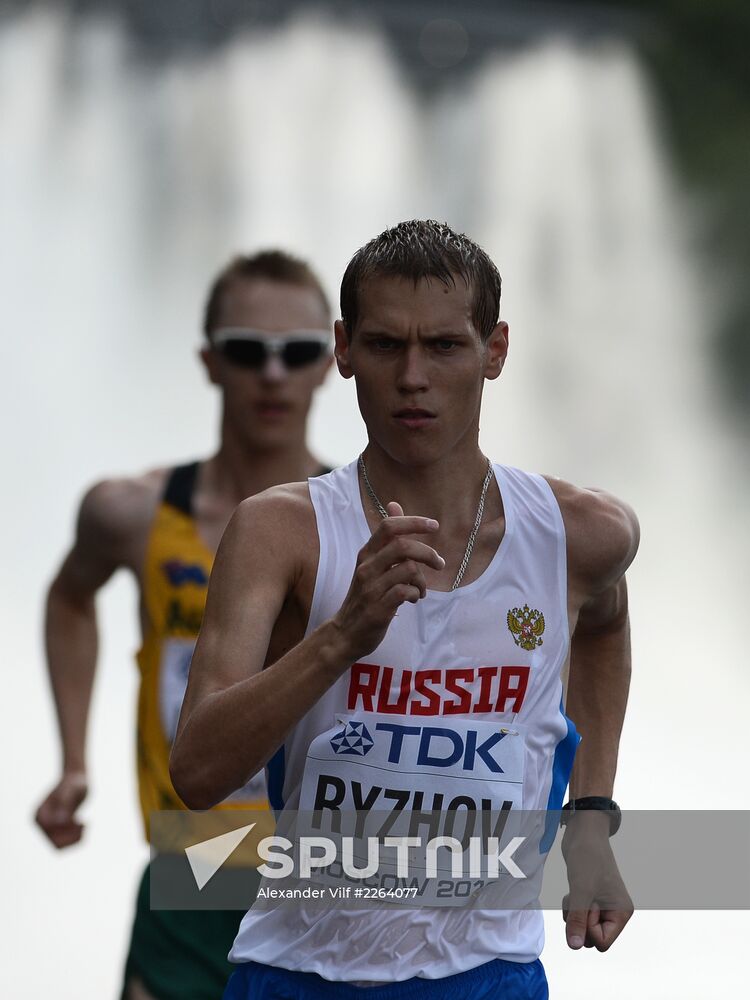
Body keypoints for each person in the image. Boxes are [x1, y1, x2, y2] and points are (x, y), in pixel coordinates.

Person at [171, 220, 638, 999]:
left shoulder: (582, 533)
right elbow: (196, 773)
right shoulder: (280, 530)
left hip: (485, 972)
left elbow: (605, 627)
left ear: (495, 351)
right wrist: (343, 635)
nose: (413, 376)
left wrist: (592, 816)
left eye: (445, 347)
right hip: (300, 969)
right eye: (386, 346)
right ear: (345, 351)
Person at [34, 250, 335, 1000]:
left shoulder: (364, 526)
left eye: (296, 352)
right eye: (246, 350)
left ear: (332, 362)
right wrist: (74, 760)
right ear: (209, 361)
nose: (272, 374)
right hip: (191, 865)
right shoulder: (131, 513)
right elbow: (70, 598)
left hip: (326, 878)